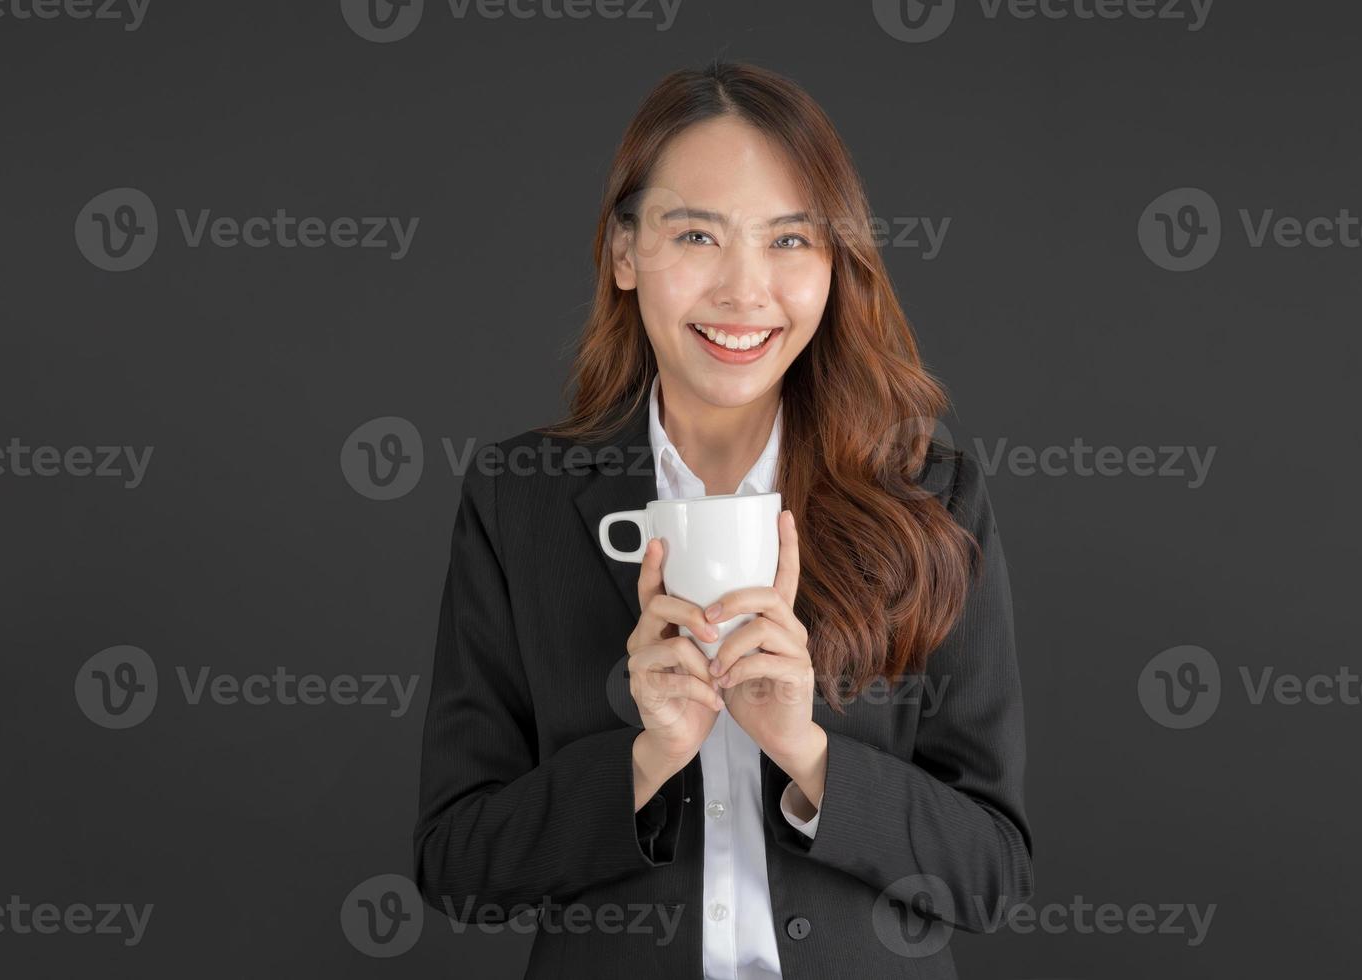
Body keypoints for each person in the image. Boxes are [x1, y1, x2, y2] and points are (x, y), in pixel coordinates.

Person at [413, 60, 1032, 980]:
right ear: (624, 252)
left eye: (790, 241)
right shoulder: (521, 497)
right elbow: (457, 866)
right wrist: (643, 758)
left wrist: (810, 754)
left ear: (834, 262)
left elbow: (992, 874)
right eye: (697, 234)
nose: (746, 293)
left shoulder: (927, 497)